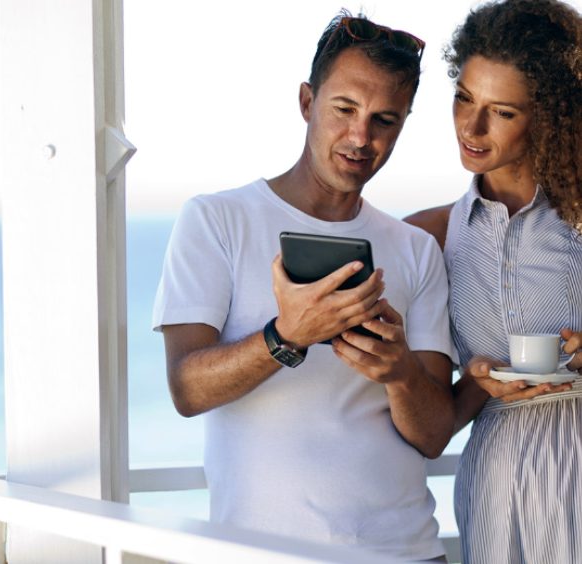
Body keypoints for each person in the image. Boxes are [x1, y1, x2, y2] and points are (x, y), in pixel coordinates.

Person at [152, 11, 454, 562]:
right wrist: (286, 336)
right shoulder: (217, 220)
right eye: (344, 109)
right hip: (263, 553)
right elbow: (186, 390)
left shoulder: (414, 250)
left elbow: (433, 436)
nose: (361, 137)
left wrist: (400, 371)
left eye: (385, 120)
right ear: (306, 102)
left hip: (405, 551)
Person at [405, 0, 582, 561]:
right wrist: (476, 380)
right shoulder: (429, 235)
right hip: (493, 475)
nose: (471, 127)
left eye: (502, 112)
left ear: (549, 115)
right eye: (464, 98)